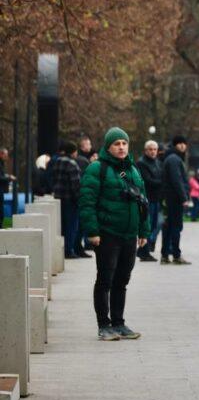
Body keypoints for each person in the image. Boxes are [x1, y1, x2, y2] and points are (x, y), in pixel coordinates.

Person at [78, 127, 149, 341]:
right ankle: (104, 325)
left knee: (122, 280)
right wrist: (92, 231)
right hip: (107, 234)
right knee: (105, 279)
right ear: (108, 147)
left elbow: (143, 202)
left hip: (129, 234)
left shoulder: (133, 170)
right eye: (116, 144)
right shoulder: (96, 168)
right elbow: (87, 202)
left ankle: (119, 322)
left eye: (124, 143)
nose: (121, 147)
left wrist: (144, 230)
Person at [161, 135, 191, 264]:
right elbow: (176, 180)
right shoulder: (174, 159)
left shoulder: (173, 158)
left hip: (170, 197)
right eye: (179, 144)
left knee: (168, 227)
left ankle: (165, 255)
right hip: (175, 198)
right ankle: (176, 255)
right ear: (175, 145)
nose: (182, 146)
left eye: (184, 143)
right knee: (176, 227)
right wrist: (184, 197)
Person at [51, 141, 82, 259]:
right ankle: (69, 250)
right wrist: (79, 199)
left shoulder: (58, 161)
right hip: (70, 199)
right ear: (73, 152)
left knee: (62, 226)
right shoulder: (72, 164)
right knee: (71, 226)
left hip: (59, 197)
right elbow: (76, 185)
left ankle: (63, 249)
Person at [135, 140, 163, 261]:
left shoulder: (157, 162)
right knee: (147, 225)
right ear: (145, 150)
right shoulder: (141, 163)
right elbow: (147, 181)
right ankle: (144, 251)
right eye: (150, 149)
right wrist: (163, 183)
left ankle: (143, 250)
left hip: (156, 198)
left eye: (154, 149)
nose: (152, 152)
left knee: (154, 225)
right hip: (147, 199)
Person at [0, 147, 12, 228]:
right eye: (6, 155)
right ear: (1, 154)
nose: (7, 157)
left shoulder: (1, 163)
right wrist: (9, 178)